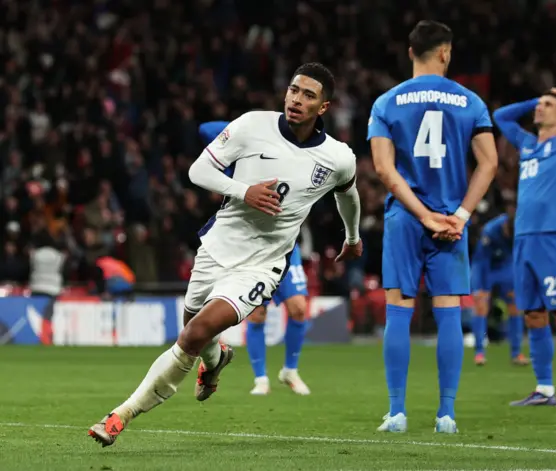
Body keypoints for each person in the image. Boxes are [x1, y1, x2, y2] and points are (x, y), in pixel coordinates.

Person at [88, 62, 378, 447]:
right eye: (293, 90)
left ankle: (120, 415)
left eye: (308, 95)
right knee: (197, 334)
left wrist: (353, 236)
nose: (296, 99)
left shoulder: (337, 157)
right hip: (216, 248)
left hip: (262, 265)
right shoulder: (251, 125)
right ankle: (216, 360)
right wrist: (245, 190)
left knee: (192, 335)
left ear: (324, 107)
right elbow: (197, 172)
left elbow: (349, 193)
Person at [367, 20, 498, 433]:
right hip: (450, 220)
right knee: (447, 314)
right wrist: (459, 216)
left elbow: (384, 170)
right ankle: (446, 415)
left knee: (399, 313)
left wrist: (421, 215)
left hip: (406, 219)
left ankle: (397, 412)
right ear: (445, 53)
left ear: (410, 52)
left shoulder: (386, 103)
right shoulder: (471, 102)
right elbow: (490, 163)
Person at [493, 88, 556, 408]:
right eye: (538, 105)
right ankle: (544, 388)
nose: (540, 109)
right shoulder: (526, 144)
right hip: (524, 240)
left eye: (548, 106)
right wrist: (536, 101)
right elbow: (500, 117)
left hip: (554, 239)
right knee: (533, 315)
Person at [198, 121, 311, 396]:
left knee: (298, 308)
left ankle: (290, 371)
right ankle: (261, 378)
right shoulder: (237, 158)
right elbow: (205, 128)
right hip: (248, 247)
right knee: (257, 314)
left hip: (284, 245)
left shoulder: (288, 154)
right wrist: (247, 127)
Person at [470, 202, 529, 366]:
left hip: (506, 265)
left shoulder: (521, 231)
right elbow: (481, 260)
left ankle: (516, 353)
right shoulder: (490, 230)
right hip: (485, 266)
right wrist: (481, 287)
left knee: (515, 305)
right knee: (481, 305)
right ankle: (479, 352)